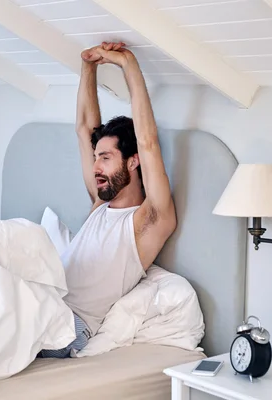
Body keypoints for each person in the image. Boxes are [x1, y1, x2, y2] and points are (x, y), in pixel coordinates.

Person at [38, 42, 176, 358]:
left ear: (133, 161)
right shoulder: (101, 203)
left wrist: (129, 65)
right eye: (96, 157)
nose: (96, 167)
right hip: (44, 306)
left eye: (106, 158)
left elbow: (148, 141)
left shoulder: (148, 221)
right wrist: (88, 67)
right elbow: (84, 128)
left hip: (68, 328)